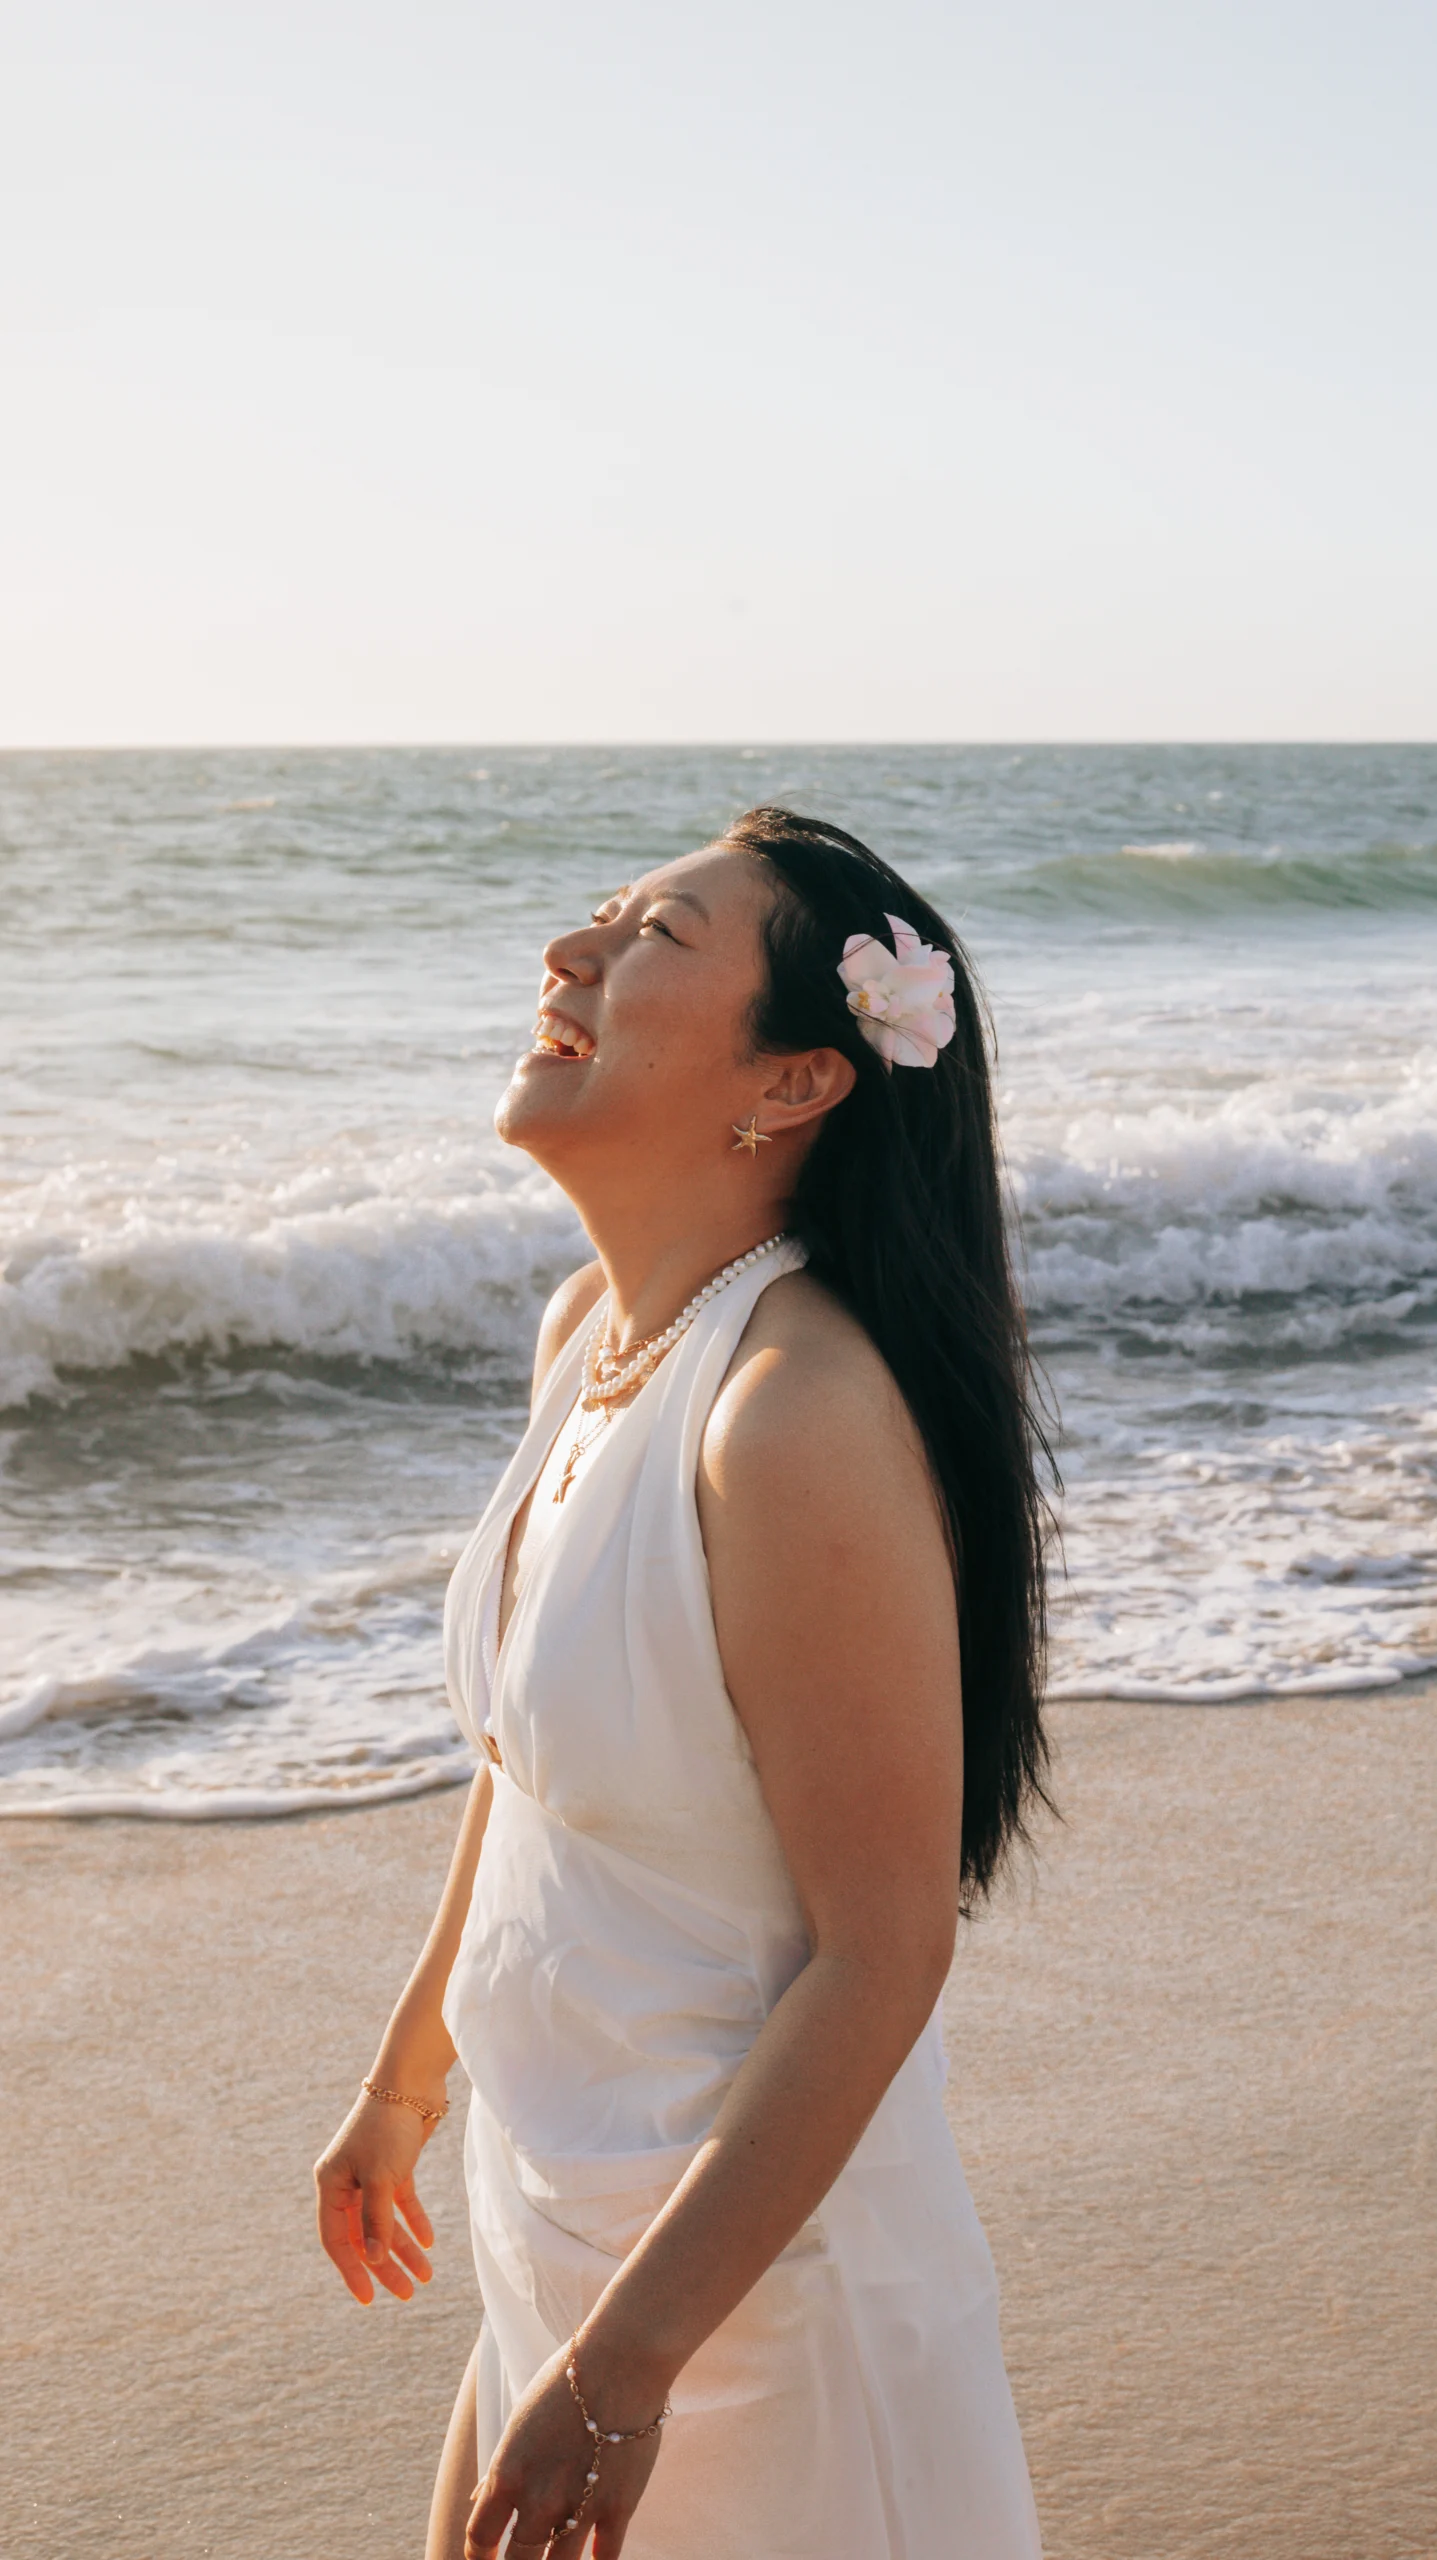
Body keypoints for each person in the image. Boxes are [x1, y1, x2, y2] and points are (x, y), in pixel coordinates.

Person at [313, 806, 1053, 2559]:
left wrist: (625, 2369)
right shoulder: (593, 1328)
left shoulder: (791, 1416)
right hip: (558, 2207)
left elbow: (886, 1949)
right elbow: (533, 1761)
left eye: (651, 936)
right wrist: (407, 2077)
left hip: (757, 2301)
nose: (568, 957)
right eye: (595, 920)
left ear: (794, 1082)